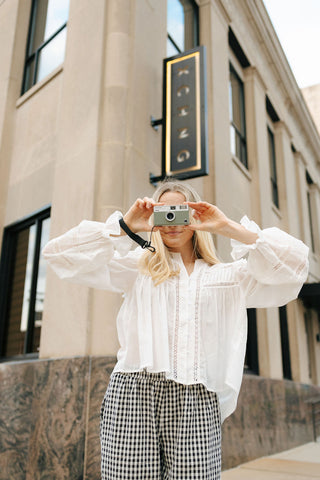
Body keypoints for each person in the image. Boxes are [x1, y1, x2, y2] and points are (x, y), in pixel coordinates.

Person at [42, 180, 309, 480]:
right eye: (163, 213)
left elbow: (296, 267)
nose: (171, 222)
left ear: (195, 216)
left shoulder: (227, 278)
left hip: (197, 401)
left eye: (179, 212)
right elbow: (58, 255)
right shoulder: (137, 269)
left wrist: (226, 227)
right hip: (133, 396)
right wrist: (124, 226)